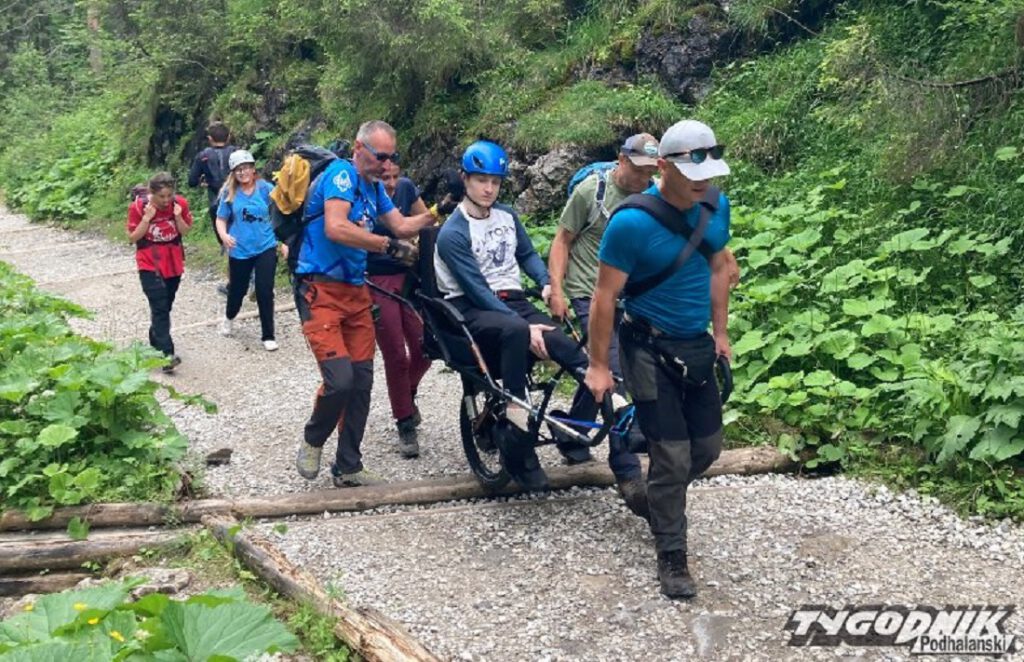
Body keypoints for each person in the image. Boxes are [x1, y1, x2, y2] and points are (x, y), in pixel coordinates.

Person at [585, 119, 734, 600]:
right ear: (663, 167)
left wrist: (721, 332)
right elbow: (605, 297)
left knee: (706, 449)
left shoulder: (715, 203)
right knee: (671, 456)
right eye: (694, 175)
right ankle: (672, 554)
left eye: (710, 174)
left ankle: (649, 481)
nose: (704, 184)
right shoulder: (631, 223)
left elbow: (717, 266)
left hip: (695, 345)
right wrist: (600, 365)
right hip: (646, 345)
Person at [434, 140, 603, 493]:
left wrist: (545, 284)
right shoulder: (453, 232)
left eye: (495, 181)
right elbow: (476, 288)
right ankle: (516, 423)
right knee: (514, 329)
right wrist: (527, 326)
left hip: (512, 301)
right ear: (465, 179)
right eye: (481, 180)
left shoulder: (507, 216)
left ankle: (605, 407)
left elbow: (526, 255)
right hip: (471, 306)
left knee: (560, 338)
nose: (488, 188)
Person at [293, 120, 437, 488]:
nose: (387, 165)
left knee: (360, 382)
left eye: (392, 157)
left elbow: (403, 225)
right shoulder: (342, 175)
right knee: (339, 380)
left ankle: (349, 464)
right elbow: (336, 228)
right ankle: (314, 438)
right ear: (359, 149)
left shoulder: (375, 189)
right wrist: (385, 245)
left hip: (356, 292)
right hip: (320, 290)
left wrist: (444, 207)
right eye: (380, 157)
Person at [545, 133, 661, 516]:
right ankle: (627, 471)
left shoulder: (655, 194)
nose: (644, 178)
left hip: (630, 296)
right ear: (621, 160)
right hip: (586, 294)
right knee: (612, 370)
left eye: (651, 171)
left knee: (599, 370)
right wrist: (557, 290)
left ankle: (568, 429)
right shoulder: (591, 193)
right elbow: (562, 241)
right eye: (639, 169)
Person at [367, 162, 432, 458]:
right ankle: (404, 421)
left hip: (409, 277)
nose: (391, 184)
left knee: (426, 346)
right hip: (376, 279)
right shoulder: (365, 197)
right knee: (395, 353)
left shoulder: (406, 188)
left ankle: (407, 393)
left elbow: (425, 220)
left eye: (394, 176)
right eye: (384, 178)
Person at [126, 172, 194, 373]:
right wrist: (147, 219)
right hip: (148, 262)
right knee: (160, 305)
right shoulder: (138, 208)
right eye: (161, 197)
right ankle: (167, 355)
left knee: (166, 305)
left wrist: (178, 215)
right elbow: (132, 237)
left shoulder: (179, 204)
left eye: (168, 196)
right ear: (151, 193)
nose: (165, 201)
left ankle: (156, 338)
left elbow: (185, 231)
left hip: (173, 260)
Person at [215, 149, 282, 351]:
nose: (243, 173)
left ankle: (268, 335)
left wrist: (283, 240)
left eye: (246, 168)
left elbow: (279, 213)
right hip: (240, 249)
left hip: (266, 245)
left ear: (254, 169)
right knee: (238, 290)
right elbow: (221, 218)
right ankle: (229, 317)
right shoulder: (229, 193)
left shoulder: (265, 189)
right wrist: (225, 236)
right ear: (233, 173)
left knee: (264, 289)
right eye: (239, 170)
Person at [187, 121, 236, 295]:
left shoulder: (203, 156)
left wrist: (203, 181)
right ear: (229, 136)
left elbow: (191, 181)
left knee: (228, 243)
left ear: (209, 138)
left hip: (217, 204)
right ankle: (249, 279)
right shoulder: (237, 153)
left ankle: (234, 284)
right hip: (239, 201)